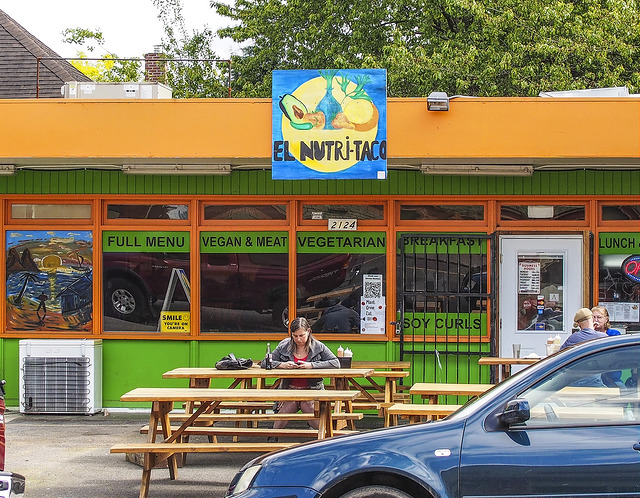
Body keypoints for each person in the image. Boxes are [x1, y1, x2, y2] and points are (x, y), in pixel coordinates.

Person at [265, 317, 339, 441]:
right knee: (285, 409)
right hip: (290, 389)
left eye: (301, 335)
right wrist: (282, 365)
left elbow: (335, 363)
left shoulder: (318, 346)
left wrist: (312, 365)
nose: (299, 339)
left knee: (310, 408)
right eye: (295, 336)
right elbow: (265, 363)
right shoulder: (284, 345)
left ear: (308, 331)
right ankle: (273, 437)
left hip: (312, 390)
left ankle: (325, 438)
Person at [592, 306, 624, 388]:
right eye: (593, 317)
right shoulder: (588, 335)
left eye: (599, 317)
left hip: (612, 378)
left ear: (606, 319)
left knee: (622, 389)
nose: (595, 320)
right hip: (592, 378)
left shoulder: (614, 334)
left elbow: (616, 354)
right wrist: (591, 331)